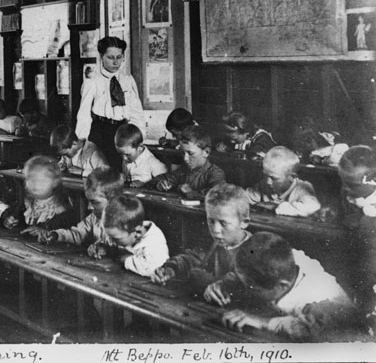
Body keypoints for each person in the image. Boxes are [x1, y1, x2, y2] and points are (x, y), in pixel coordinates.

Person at [220, 232, 359, 341]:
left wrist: (263, 322)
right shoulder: (283, 261)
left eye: (253, 288)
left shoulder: (315, 296)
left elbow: (308, 330)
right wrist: (223, 284)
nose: (248, 290)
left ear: (282, 285)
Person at [151, 184, 252, 302]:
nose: (215, 230)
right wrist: (170, 269)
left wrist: (223, 287)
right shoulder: (212, 242)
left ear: (244, 222)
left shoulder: (255, 250)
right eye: (211, 221)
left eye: (223, 223)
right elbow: (191, 259)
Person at [75, 36, 145, 168]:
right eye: (110, 57)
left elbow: (137, 112)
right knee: (104, 172)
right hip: (101, 132)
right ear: (101, 56)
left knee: (123, 171)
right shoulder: (92, 81)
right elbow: (84, 114)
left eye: (119, 57)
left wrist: (140, 137)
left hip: (123, 131)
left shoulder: (127, 80)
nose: (115, 62)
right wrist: (82, 140)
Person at [37, 167, 124, 260]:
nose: (89, 207)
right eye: (88, 202)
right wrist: (56, 235)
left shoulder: (127, 222)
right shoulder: (93, 218)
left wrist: (108, 249)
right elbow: (78, 234)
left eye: (95, 202)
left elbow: (127, 251)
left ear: (113, 201)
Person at [338, 145, 376, 334]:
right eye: (343, 182)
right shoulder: (350, 192)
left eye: (351, 185)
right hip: (356, 247)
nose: (346, 188)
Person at [149, 125, 226, 196]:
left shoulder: (216, 173)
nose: (185, 158)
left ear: (206, 152)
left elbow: (217, 193)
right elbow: (160, 178)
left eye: (190, 153)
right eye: (183, 153)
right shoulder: (183, 171)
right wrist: (160, 184)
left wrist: (191, 193)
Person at [102, 195, 169, 276]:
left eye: (115, 239)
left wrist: (126, 260)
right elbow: (110, 241)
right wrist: (103, 247)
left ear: (137, 232)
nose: (111, 241)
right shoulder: (124, 232)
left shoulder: (155, 242)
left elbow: (156, 268)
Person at [246, 146, 321, 217]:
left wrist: (275, 207)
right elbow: (243, 197)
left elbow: (313, 207)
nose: (268, 181)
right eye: (265, 176)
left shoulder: (302, 188)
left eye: (274, 178)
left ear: (292, 177)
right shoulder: (263, 185)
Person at [19, 156, 78, 237]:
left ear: (55, 182)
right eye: (31, 179)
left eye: (41, 181)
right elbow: (19, 218)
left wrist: (45, 228)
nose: (35, 184)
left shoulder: (61, 206)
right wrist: (9, 219)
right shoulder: (27, 202)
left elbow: (64, 225)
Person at [114, 123, 167, 187]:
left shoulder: (153, 164)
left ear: (140, 147)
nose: (124, 158)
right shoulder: (127, 157)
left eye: (128, 154)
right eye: (121, 154)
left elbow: (165, 182)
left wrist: (144, 184)